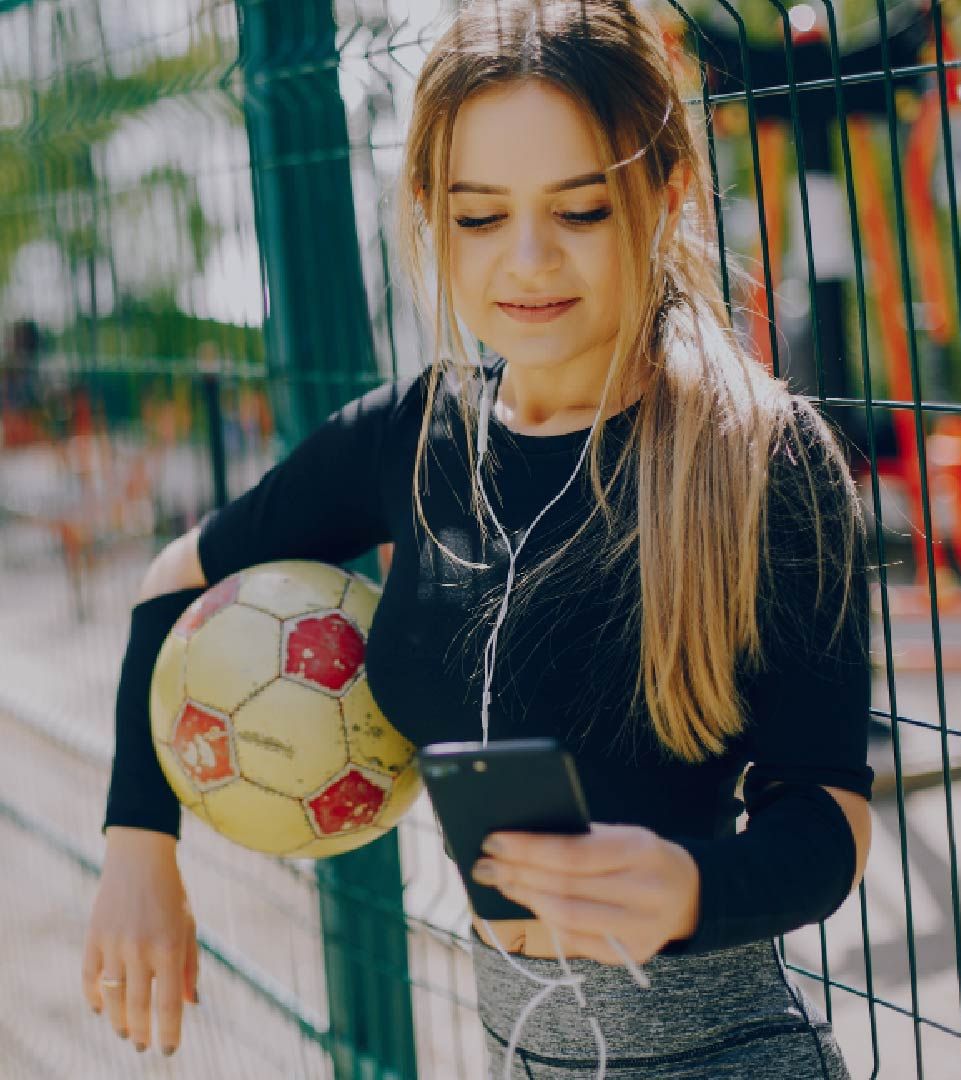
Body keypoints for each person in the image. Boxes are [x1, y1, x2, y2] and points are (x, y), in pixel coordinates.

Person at [83, 0, 873, 1074]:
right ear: (428, 210)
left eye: (582, 209)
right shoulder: (412, 436)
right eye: (479, 215)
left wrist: (693, 887)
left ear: (667, 191)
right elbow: (173, 583)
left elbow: (828, 812)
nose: (529, 260)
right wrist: (140, 844)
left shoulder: (758, 459)